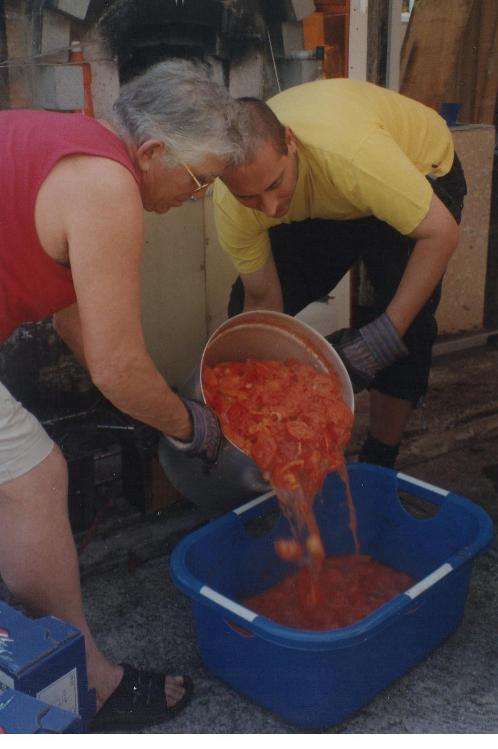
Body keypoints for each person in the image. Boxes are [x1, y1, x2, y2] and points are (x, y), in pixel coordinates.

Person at [0, 59, 236, 731]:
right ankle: (90, 684)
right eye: (200, 181)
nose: (196, 198)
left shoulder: (73, 144)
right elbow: (116, 368)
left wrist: (138, 390)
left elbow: (78, 316)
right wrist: (192, 424)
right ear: (155, 151)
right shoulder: (109, 186)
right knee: (35, 477)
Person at [213, 78, 467, 469]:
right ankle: (269, 445)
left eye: (274, 184)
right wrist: (259, 395)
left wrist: (381, 338)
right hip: (336, 193)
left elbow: (442, 233)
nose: (268, 208)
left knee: (402, 320)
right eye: (248, 196)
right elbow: (264, 300)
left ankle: (378, 460)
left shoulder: (354, 155)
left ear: (291, 144)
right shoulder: (236, 203)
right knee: (246, 315)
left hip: (415, 168)